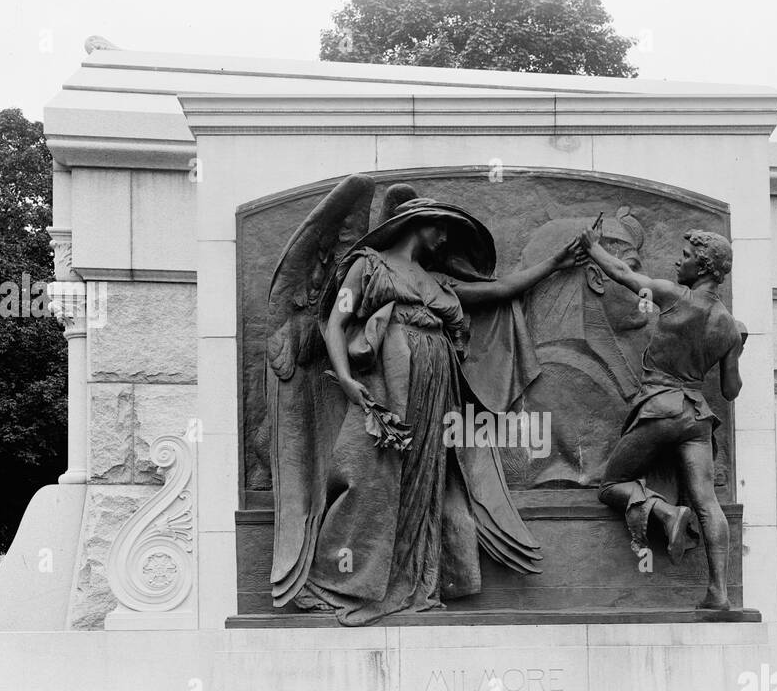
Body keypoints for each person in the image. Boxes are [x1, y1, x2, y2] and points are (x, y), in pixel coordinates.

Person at [300, 195, 580, 625]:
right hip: (390, 381)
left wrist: (555, 264)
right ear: (419, 223)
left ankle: (407, 584)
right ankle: (340, 578)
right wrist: (348, 380)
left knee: (425, 480)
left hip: (436, 386)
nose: (445, 238)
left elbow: (499, 290)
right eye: (442, 228)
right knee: (374, 476)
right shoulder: (369, 265)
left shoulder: (437, 282)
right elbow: (337, 322)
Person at [577, 223, 746, 610]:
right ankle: (719, 593)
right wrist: (738, 346)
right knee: (709, 503)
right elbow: (731, 391)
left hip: (661, 408)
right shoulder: (730, 328)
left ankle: (668, 514)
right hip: (696, 418)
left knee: (611, 484)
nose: (677, 260)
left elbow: (622, 274)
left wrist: (593, 247)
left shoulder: (673, 295)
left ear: (702, 267)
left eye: (685, 256)